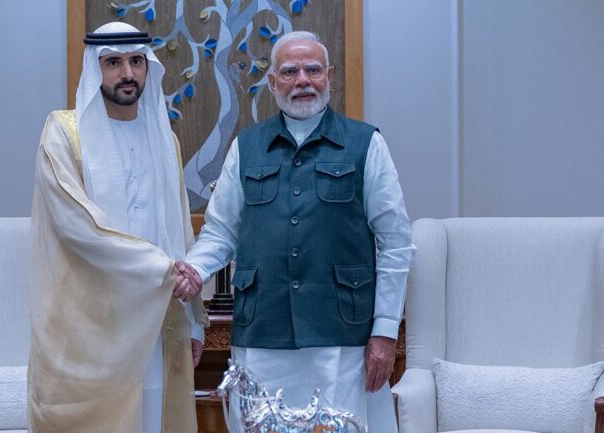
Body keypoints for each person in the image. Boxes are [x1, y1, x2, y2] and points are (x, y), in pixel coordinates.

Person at [185, 31, 415, 431]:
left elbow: (395, 243)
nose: (303, 80)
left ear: (329, 76)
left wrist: (384, 331)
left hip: (342, 333)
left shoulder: (366, 144)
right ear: (273, 82)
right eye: (290, 71)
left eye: (313, 70)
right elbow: (220, 233)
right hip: (263, 330)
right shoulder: (246, 146)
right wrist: (192, 271)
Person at [28, 21, 208, 433]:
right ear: (96, 68)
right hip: (91, 326)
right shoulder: (65, 133)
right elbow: (76, 226)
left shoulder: (165, 139)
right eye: (113, 63)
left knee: (154, 419)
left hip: (157, 322)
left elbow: (179, 230)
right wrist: (162, 269)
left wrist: (193, 320)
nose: (127, 73)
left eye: (136, 61)